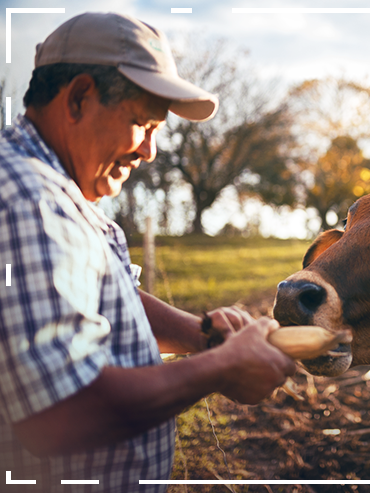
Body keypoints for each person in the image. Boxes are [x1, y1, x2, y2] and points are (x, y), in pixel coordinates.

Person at [0, 12, 297, 492]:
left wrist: (200, 338)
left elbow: (98, 295)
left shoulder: (58, 190)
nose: (150, 151)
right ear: (77, 98)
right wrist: (219, 368)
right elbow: (60, 413)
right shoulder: (27, 199)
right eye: (142, 122)